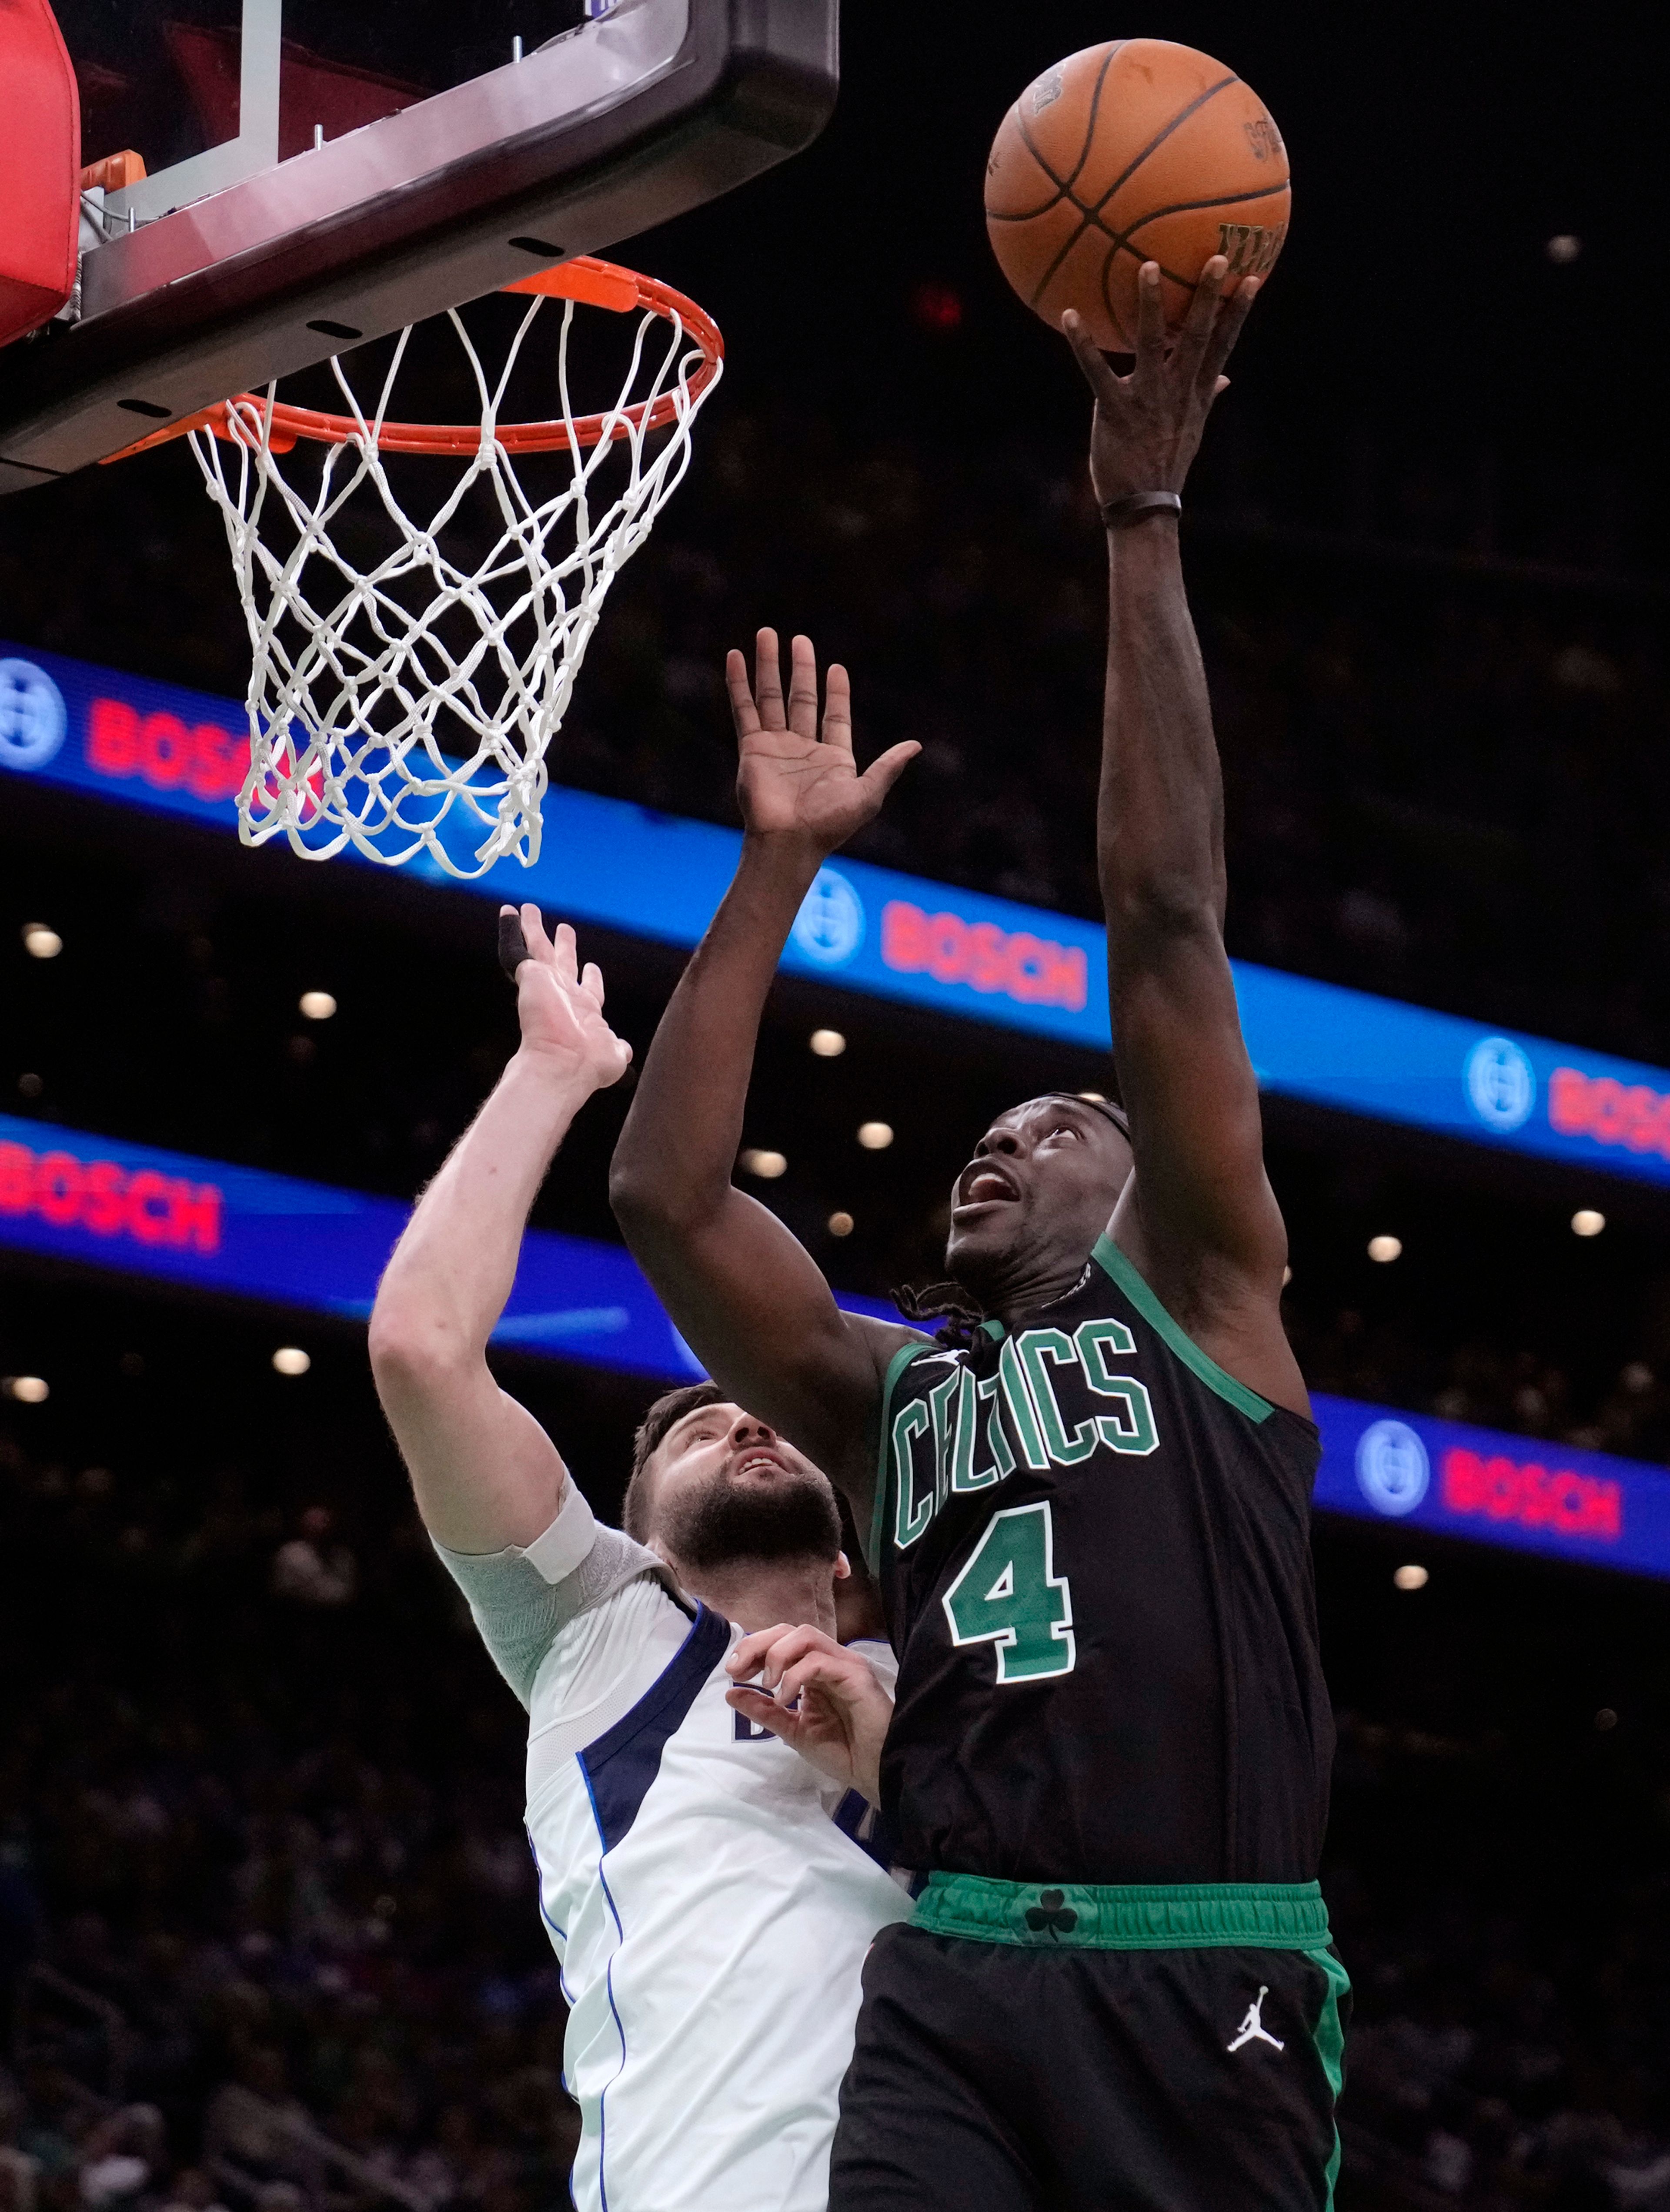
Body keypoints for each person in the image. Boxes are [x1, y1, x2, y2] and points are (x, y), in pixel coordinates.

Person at [609, 255, 1347, 2210]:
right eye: (989, 1128)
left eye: (1059, 1123)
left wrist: (1139, 519)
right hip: (952, 1958)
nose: (1001, 1141)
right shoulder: (887, 1401)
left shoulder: (1201, 1299)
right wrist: (771, 874)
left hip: (1200, 1972)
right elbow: (663, 1200)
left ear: (1148, 1179)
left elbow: (1166, 920)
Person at [367, 908, 909, 2212]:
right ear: (639, 1531)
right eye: (698, 1431)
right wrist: (551, 1073)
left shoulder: (955, 1661)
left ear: (851, 1532)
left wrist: (893, 1755)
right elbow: (422, 1348)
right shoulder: (592, 1626)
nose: (743, 1420)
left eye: (762, 1417)